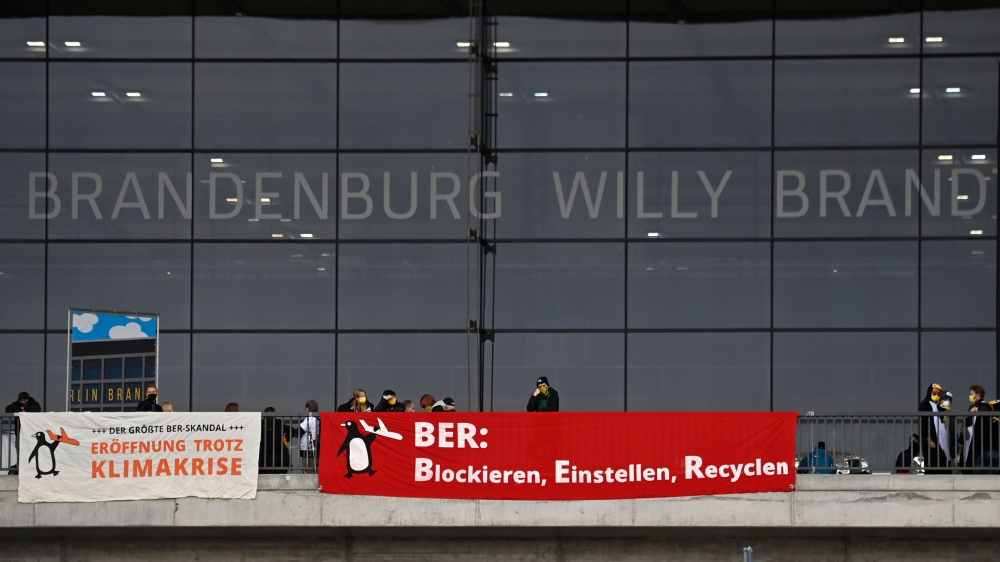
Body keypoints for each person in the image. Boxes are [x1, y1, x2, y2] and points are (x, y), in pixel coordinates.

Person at [966, 385, 998, 472]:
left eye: (971, 394)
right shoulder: (977, 407)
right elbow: (967, 423)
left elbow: (983, 427)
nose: (970, 396)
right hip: (979, 445)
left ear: (978, 394)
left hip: (982, 446)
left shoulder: (983, 407)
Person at [918, 383, 950, 472]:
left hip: (938, 439)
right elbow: (924, 423)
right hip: (931, 439)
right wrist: (929, 439)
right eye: (934, 393)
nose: (936, 396)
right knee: (933, 463)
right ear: (929, 392)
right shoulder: (925, 404)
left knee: (941, 463)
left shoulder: (934, 404)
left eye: (938, 394)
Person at [259, 406, 290, 473]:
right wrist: (285, 439)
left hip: (264, 459)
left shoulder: (261, 426)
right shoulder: (279, 425)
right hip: (279, 460)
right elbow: (292, 430)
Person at [299, 400, 320, 469]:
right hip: (317, 447)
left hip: (308, 448)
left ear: (309, 409)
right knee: (316, 468)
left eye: (306, 408)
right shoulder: (319, 419)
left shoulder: (310, 419)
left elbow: (300, 430)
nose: (305, 410)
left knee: (308, 469)